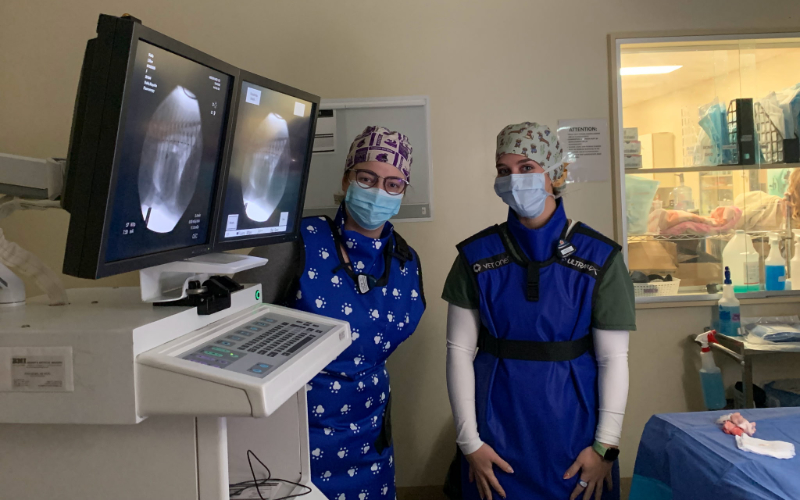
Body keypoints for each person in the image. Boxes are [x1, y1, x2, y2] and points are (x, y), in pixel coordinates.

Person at [443, 122, 636, 500]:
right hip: (493, 429)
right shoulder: (476, 257)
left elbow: (614, 360)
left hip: (576, 431)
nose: (514, 179)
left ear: (556, 173)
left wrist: (606, 447)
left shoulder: (600, 258)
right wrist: (469, 443)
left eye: (527, 167)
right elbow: (458, 352)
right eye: (504, 171)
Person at [236, 126, 426, 500]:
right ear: (346, 179)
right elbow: (237, 335)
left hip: (370, 435)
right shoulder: (294, 244)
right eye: (367, 178)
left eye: (392, 184)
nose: (377, 192)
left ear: (403, 192)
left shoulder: (405, 262)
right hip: (297, 434)